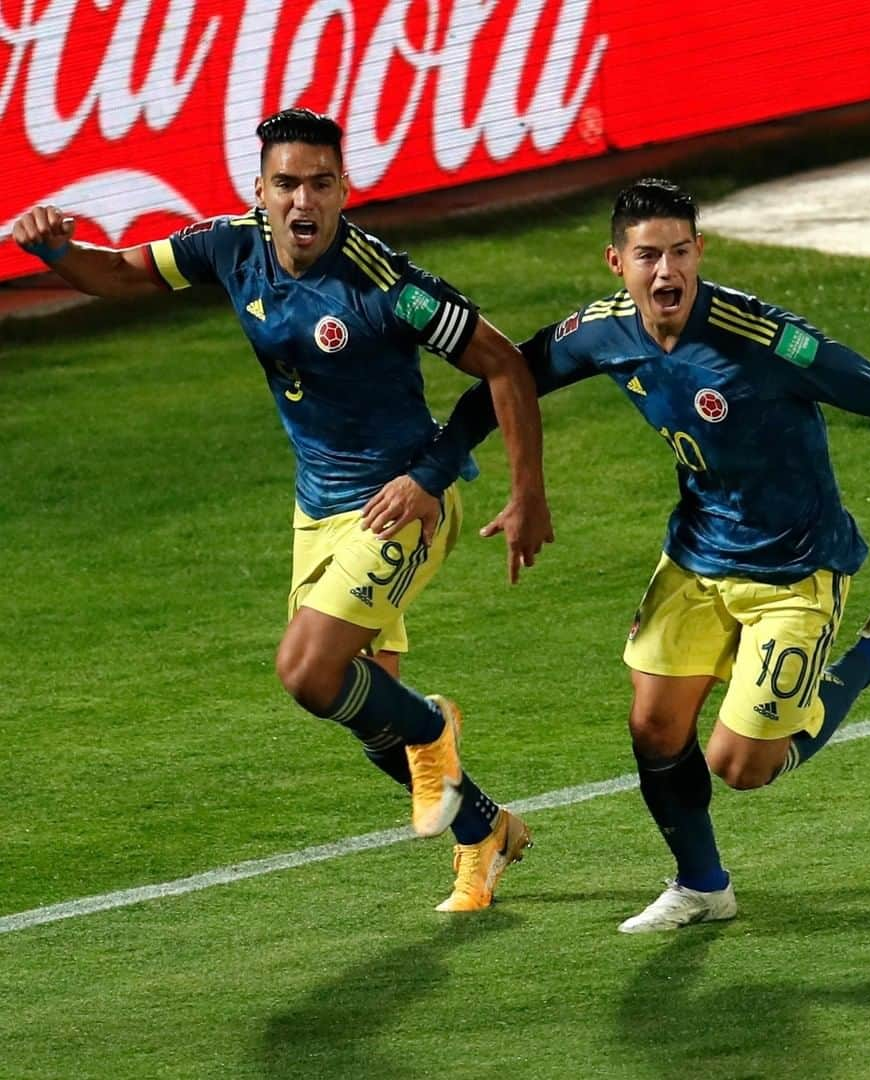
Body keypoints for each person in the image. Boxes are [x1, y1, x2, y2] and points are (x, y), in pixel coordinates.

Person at [377, 177, 870, 933]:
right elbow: (504, 376)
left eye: (680, 252)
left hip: (795, 567)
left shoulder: (765, 340)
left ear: (699, 251)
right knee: (652, 726)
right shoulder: (602, 331)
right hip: (697, 556)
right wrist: (440, 469)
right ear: (617, 262)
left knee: (743, 767)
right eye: (648, 256)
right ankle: (703, 886)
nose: (666, 272)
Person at [11, 108, 555, 913]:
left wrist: (496, 488)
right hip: (318, 510)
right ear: (258, 190)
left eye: (321, 184)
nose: (304, 201)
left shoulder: (385, 286)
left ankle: (435, 726)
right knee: (369, 716)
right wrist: (55, 250)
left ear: (345, 190)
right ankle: (485, 830)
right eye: (287, 183)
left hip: (399, 503)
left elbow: (504, 366)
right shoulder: (230, 248)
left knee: (308, 671)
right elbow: (125, 274)